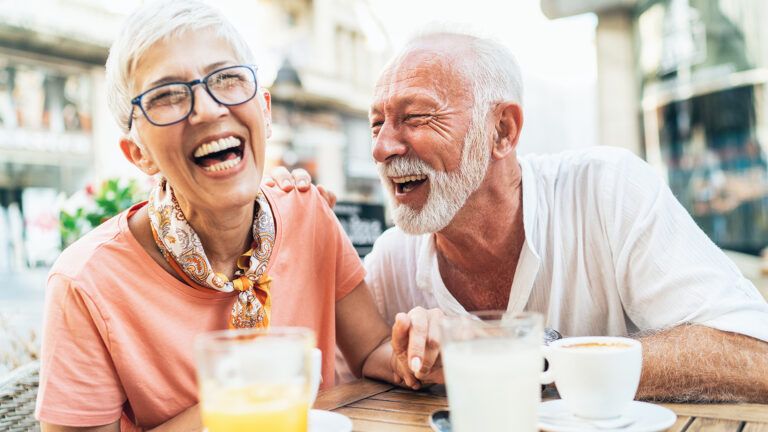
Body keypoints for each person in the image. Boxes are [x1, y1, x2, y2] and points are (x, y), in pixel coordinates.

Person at [275, 31, 768, 402]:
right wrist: (277, 212)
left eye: (417, 117)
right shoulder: (390, 261)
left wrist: (538, 360)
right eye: (377, 123)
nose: (382, 148)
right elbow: (343, 381)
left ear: (503, 131)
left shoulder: (607, 191)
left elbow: (753, 354)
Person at [34, 2, 405, 430]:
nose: (208, 109)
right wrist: (249, 397)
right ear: (139, 154)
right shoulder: (86, 283)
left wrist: (418, 355)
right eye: (167, 95)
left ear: (264, 112)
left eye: (227, 79)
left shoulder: (307, 213)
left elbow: (375, 349)